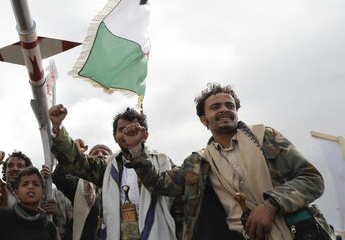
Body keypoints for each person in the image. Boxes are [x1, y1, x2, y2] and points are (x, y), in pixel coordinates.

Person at [123, 83, 335, 240]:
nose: (224, 109)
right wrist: (136, 149)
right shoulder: (199, 162)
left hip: (296, 232)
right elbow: (160, 184)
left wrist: (271, 205)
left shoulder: (266, 138)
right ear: (203, 119)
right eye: (215, 107)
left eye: (229, 105)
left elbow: (312, 179)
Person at [49, 104, 177, 240]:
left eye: (133, 128)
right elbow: (77, 162)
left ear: (145, 134)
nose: (128, 132)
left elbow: (178, 202)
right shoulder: (108, 167)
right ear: (115, 136)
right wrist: (58, 127)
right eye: (122, 129)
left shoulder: (162, 163)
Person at [0, 165, 60, 240]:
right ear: (16, 193)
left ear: (43, 193)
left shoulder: (49, 227)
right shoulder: (2, 216)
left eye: (36, 184)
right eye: (25, 184)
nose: (31, 187)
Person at [52, 142, 112, 240]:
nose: (100, 155)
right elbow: (59, 177)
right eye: (95, 153)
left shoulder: (122, 185)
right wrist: (73, 155)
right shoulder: (81, 185)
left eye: (105, 153)